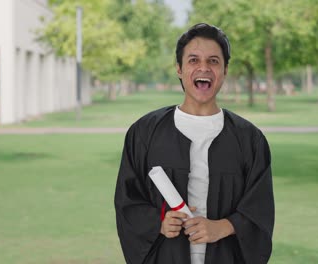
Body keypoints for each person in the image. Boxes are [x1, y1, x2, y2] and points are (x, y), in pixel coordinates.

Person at [114, 23, 275, 264]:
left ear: (225, 70)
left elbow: (260, 207)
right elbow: (127, 200)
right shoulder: (145, 133)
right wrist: (158, 222)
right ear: (179, 69)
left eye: (213, 61)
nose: (204, 67)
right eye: (193, 60)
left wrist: (224, 226)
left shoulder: (249, 139)